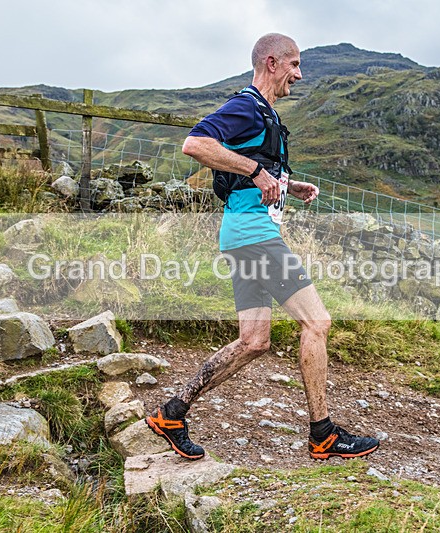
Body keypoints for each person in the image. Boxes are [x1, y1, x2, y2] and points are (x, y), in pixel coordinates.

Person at [146, 33, 379, 461]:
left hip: (241, 237)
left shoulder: (265, 114)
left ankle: (172, 412)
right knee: (317, 323)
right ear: (272, 63)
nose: (299, 74)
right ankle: (323, 434)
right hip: (255, 238)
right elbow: (195, 144)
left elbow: (254, 171)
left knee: (253, 341)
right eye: (294, 64)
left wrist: (289, 183)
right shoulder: (247, 105)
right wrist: (255, 171)